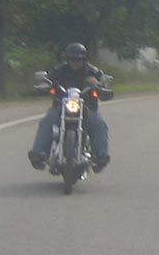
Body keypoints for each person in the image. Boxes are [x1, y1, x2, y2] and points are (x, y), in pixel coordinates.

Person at [28, 42, 110, 173]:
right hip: (61, 108)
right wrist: (45, 84)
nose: (75, 62)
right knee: (47, 121)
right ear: (67, 59)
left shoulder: (92, 71)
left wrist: (99, 85)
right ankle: (39, 154)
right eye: (72, 59)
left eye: (78, 59)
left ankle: (101, 156)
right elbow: (47, 80)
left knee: (98, 123)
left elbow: (104, 86)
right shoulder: (60, 70)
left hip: (87, 109)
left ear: (84, 59)